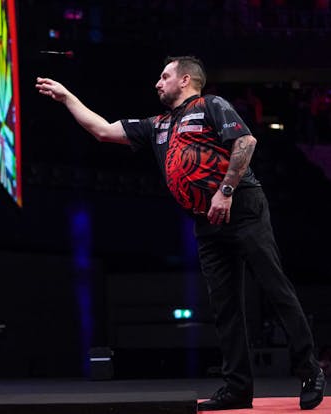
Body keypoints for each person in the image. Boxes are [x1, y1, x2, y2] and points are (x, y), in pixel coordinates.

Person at [36, 56, 326, 411]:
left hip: (242, 206)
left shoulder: (211, 106)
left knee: (274, 288)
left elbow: (246, 143)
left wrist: (227, 191)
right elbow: (103, 130)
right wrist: (67, 97)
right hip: (205, 220)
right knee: (225, 306)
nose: (157, 83)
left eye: (164, 77)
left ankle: (309, 371)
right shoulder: (157, 125)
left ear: (186, 80)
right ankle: (238, 387)